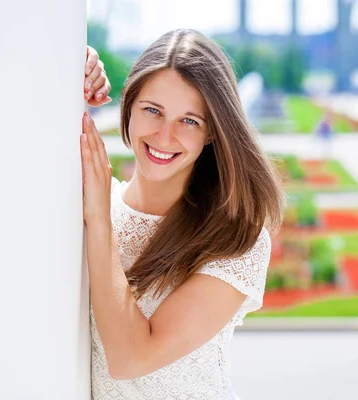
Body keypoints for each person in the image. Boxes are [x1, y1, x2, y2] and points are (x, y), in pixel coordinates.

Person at [80, 29, 285, 399]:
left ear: (211, 133)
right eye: (153, 110)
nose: (164, 135)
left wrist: (98, 221)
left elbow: (129, 359)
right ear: (128, 106)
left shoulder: (237, 243)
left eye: (189, 120)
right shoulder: (95, 202)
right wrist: (75, 65)